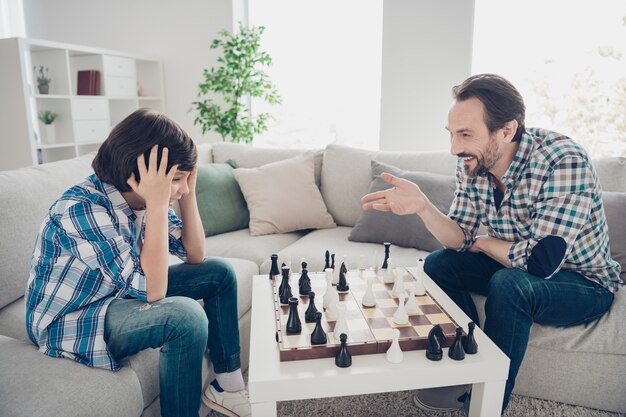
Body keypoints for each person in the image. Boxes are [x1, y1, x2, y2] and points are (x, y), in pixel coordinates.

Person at [361, 74, 622, 414]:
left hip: (584, 282)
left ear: (507, 130)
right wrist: (423, 207)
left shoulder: (563, 159)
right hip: (515, 263)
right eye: (452, 134)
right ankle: (467, 366)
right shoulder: (472, 163)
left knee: (511, 283)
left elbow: (542, 262)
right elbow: (459, 240)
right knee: (438, 264)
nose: (455, 148)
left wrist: (483, 243)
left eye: (466, 134)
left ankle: (486, 405)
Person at [25, 108, 251, 417]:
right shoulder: (82, 209)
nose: (182, 188)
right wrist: (158, 203)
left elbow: (195, 254)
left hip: (117, 293)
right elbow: (152, 290)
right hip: (72, 319)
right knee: (185, 317)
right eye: (176, 180)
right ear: (142, 175)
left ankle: (227, 386)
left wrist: (187, 192)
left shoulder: (136, 200)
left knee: (219, 273)